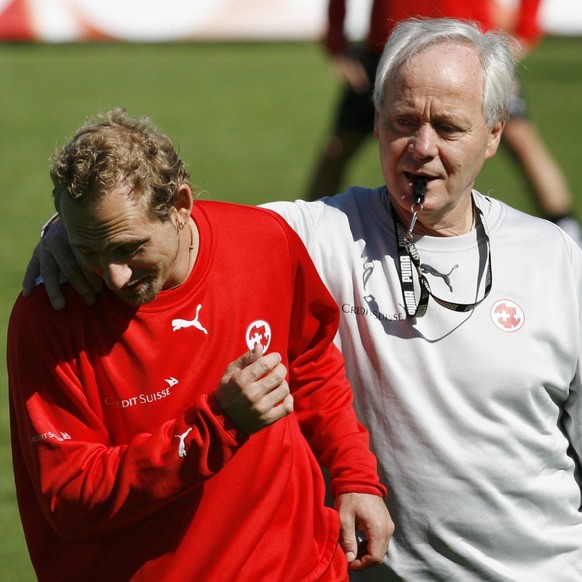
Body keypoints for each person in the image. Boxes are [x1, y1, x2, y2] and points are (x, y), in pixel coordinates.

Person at [26, 19, 582, 580]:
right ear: (376, 121)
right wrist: (69, 230)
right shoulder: (315, 234)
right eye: (403, 122)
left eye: (449, 127)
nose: (422, 148)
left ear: (493, 133)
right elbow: (176, 225)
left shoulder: (556, 258)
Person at [8, 108, 393, 581]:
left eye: (128, 247)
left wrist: (355, 476)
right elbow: (71, 498)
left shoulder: (263, 241)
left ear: (181, 204)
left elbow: (310, 362)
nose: (113, 276)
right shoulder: (49, 314)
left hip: (298, 567)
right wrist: (218, 425)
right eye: (89, 251)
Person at [305, 0, 582, 245]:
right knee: (337, 148)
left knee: (522, 140)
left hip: (468, 58)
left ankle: (567, 233)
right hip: (391, 55)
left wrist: (524, 31)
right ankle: (305, 234)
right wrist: (336, 43)